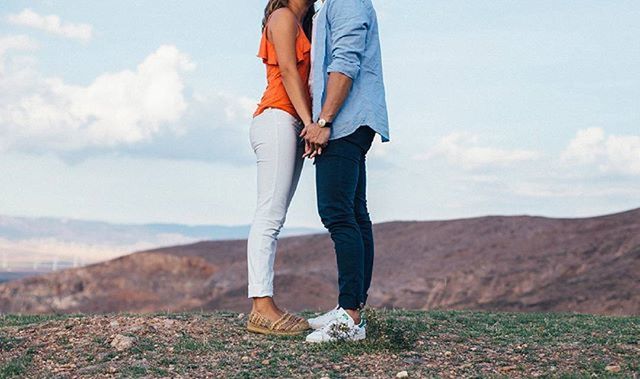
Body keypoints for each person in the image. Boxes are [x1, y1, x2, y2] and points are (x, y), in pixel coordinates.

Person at [301, 0, 390, 343]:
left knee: (337, 214)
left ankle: (350, 317)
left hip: (344, 121)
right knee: (354, 213)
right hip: (349, 121)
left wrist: (324, 121)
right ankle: (351, 308)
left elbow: (345, 62)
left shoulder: (347, 1)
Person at [245, 0, 316, 336]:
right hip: (278, 118)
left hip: (289, 122)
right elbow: (288, 70)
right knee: (269, 216)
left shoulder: (306, 23)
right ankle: (261, 307)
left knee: (275, 216)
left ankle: (264, 305)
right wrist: (310, 124)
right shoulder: (283, 16)